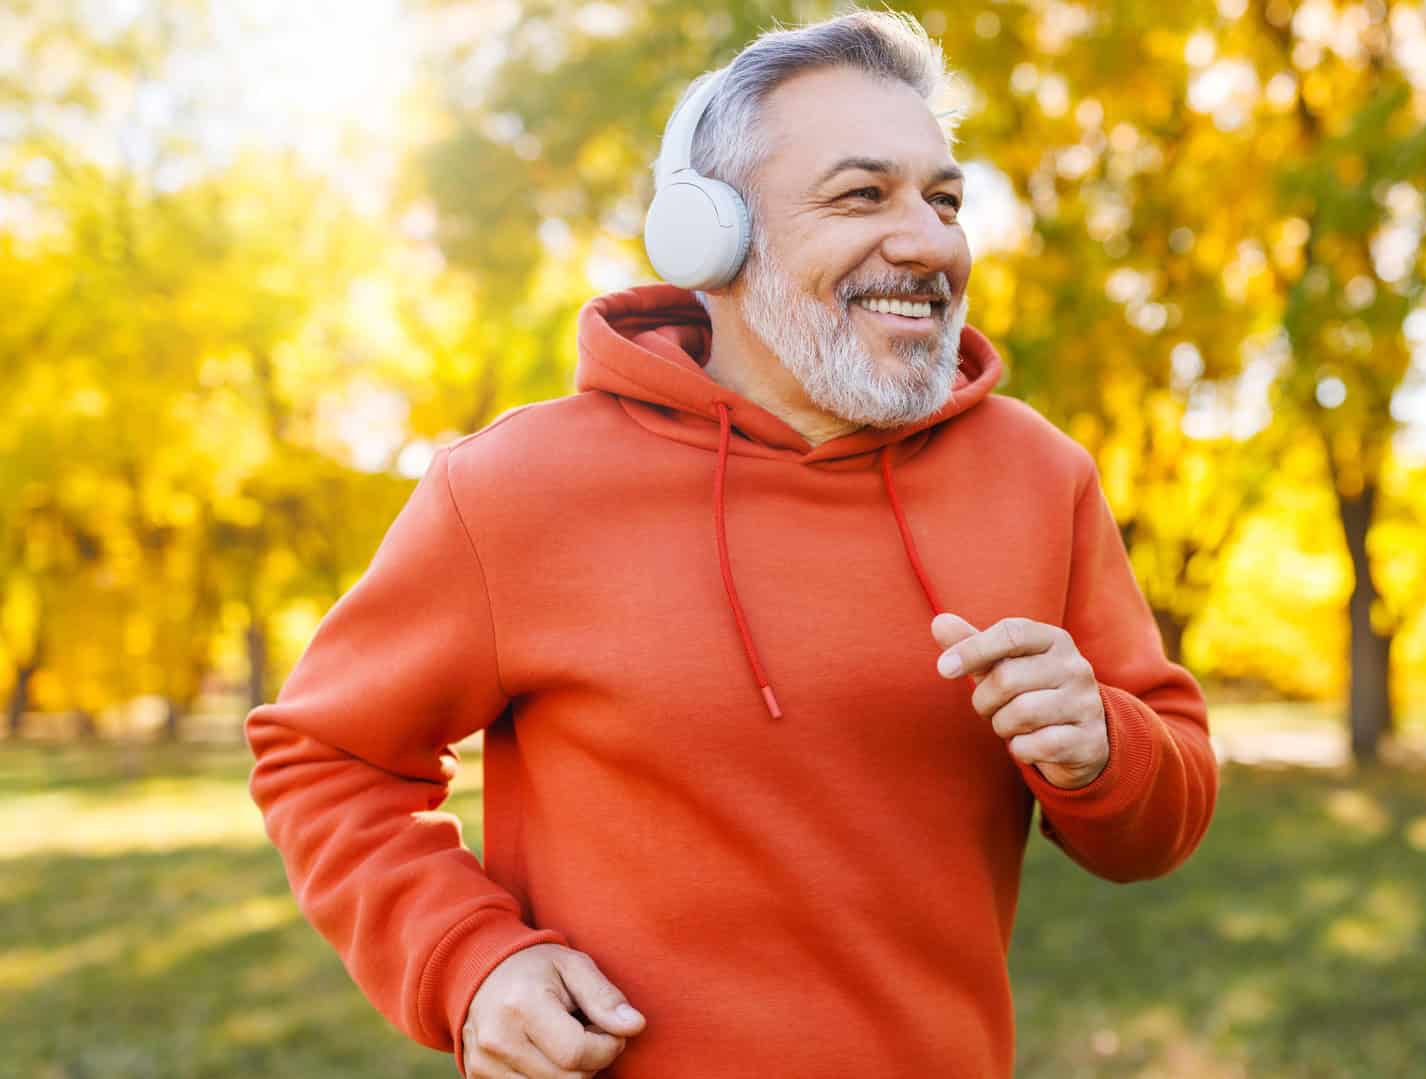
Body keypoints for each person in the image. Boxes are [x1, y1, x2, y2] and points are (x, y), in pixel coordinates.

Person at [246, 13, 1216, 1079]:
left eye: (944, 200)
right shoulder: (515, 485)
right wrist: (470, 961)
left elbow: (1161, 819)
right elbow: (326, 756)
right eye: (864, 194)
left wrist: (1104, 747)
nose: (932, 241)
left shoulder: (1039, 476)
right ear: (709, 235)